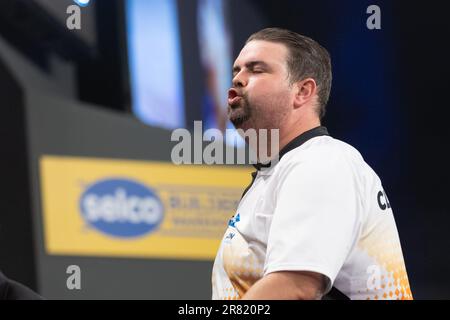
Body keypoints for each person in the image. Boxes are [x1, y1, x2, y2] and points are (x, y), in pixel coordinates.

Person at [212, 27, 413, 300]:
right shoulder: (278, 171)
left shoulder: (322, 162)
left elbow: (295, 288)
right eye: (236, 70)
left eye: (256, 70)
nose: (238, 79)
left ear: (303, 91)